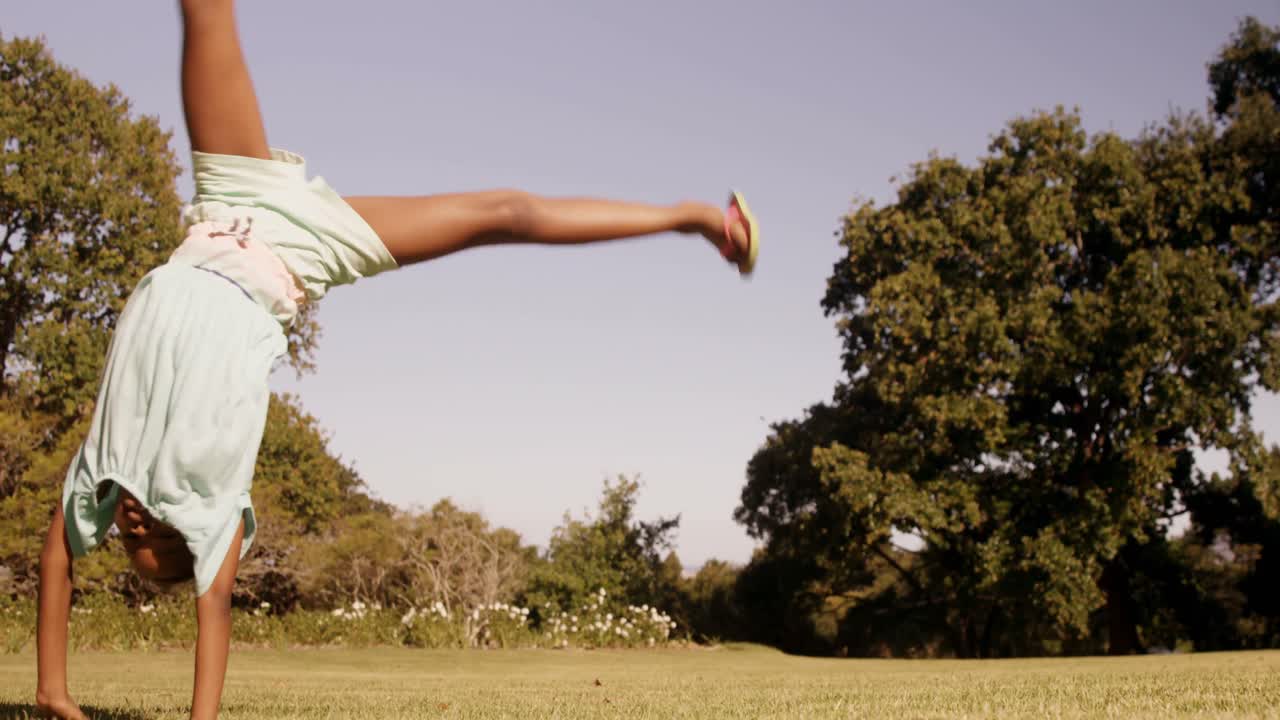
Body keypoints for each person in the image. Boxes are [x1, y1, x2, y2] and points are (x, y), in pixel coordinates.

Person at [33, 1, 759, 718]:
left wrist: (52, 689)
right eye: (161, 535)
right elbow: (214, 604)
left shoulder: (101, 470)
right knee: (501, 214)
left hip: (231, 199)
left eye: (136, 538)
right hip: (299, 252)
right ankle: (696, 220)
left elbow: (59, 561)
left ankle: (699, 222)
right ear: (185, 530)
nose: (136, 526)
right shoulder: (214, 503)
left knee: (206, 14)